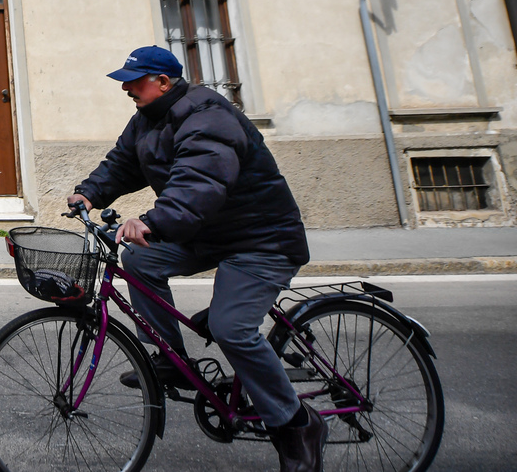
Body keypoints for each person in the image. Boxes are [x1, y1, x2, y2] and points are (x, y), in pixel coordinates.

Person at [67, 46, 326, 472]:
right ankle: (168, 359)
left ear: (164, 83)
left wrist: (154, 221)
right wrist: (90, 191)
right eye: (125, 82)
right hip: (208, 234)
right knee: (141, 261)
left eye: (135, 81)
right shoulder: (147, 120)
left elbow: (201, 181)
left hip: (261, 239)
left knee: (230, 327)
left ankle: (298, 425)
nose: (127, 89)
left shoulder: (208, 116)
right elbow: (122, 164)